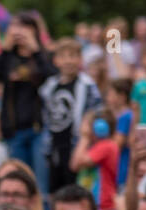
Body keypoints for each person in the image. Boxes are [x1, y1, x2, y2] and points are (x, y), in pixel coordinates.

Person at [0, 15, 55, 195]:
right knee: (21, 185)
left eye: (25, 28)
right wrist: (5, 50)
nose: (20, 33)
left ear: (34, 30)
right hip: (14, 130)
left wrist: (36, 50)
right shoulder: (7, 57)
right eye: (15, 28)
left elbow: (53, 80)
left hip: (39, 127)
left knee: (40, 184)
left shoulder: (43, 55)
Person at [40, 38, 103, 195]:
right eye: (64, 56)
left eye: (73, 56)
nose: (68, 61)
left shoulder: (87, 85)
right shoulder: (49, 86)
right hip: (55, 144)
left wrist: (87, 137)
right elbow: (46, 114)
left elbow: (96, 111)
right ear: (56, 61)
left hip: (77, 144)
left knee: (76, 189)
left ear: (80, 59)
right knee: (55, 189)